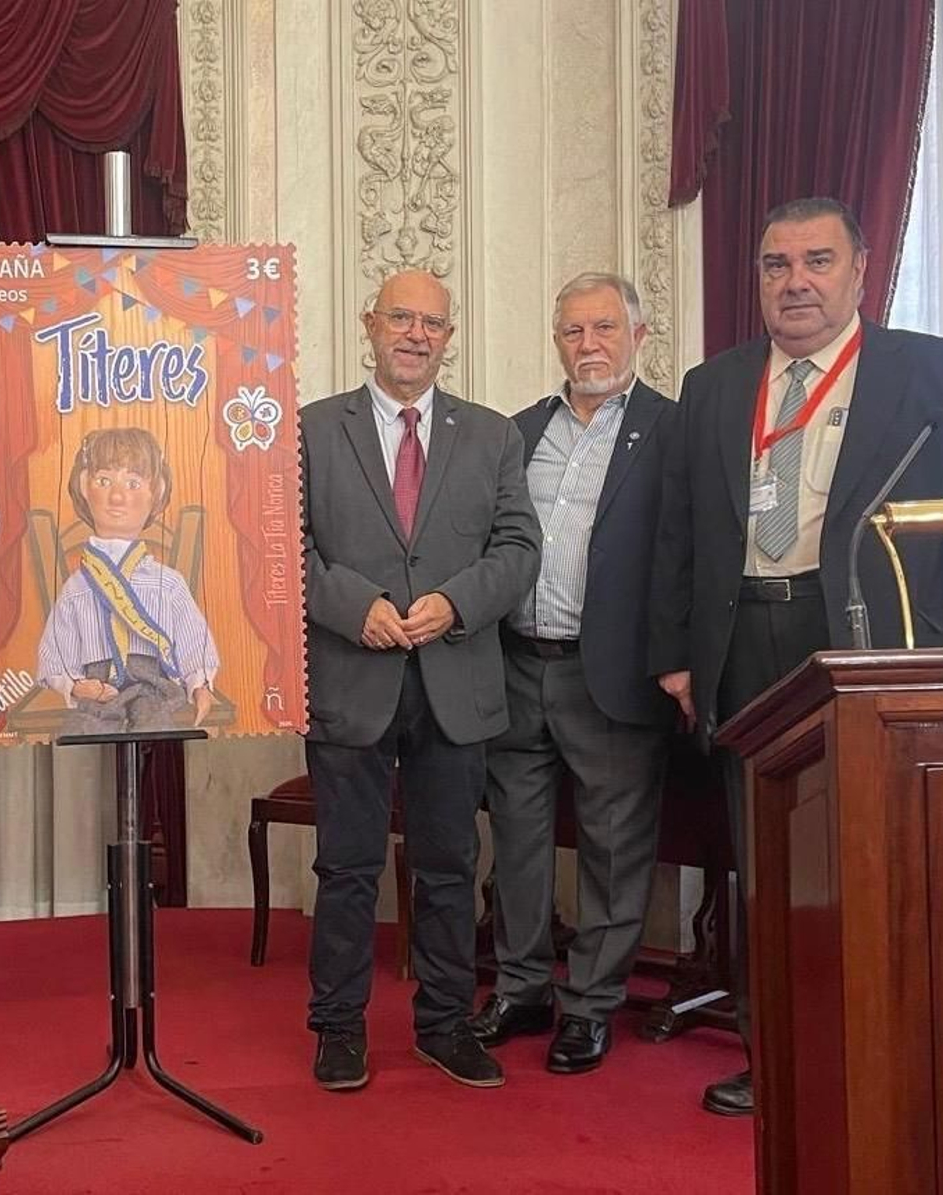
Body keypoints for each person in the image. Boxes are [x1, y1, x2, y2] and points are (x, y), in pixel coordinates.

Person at [649, 196, 943, 1116]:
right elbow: (681, 530)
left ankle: (891, 1053)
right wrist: (681, 657)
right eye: (775, 264)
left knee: (884, 853)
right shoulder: (715, 384)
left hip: (874, 637)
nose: (795, 281)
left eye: (816, 261)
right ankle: (780, 1057)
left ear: (859, 268)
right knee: (768, 862)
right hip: (745, 638)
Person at [299, 268, 541, 1091]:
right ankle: (337, 1027)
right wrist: (348, 604)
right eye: (400, 317)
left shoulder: (493, 436)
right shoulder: (310, 429)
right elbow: (281, 547)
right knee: (348, 867)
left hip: (454, 675)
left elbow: (517, 550)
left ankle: (444, 1023)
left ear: (449, 336)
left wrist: (453, 602)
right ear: (369, 324)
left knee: (447, 865)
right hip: (349, 676)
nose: (414, 333)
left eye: (431, 322)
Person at [470, 274, 676, 1074]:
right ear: (555, 340)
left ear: (638, 334)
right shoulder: (518, 431)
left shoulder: (672, 428)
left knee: (614, 847)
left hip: (614, 672)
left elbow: (685, 552)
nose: (588, 345)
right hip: (520, 663)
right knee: (517, 840)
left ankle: (590, 1004)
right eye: (572, 332)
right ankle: (522, 989)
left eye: (604, 328)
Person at [35, 427, 220, 732]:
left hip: (153, 687)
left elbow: (192, 639)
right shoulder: (77, 587)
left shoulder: (167, 582)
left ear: (156, 492)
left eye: (133, 483)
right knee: (84, 729)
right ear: (84, 486)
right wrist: (77, 686)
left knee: (156, 725)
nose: (117, 496)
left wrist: (199, 684)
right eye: (103, 481)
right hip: (98, 688)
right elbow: (55, 649)